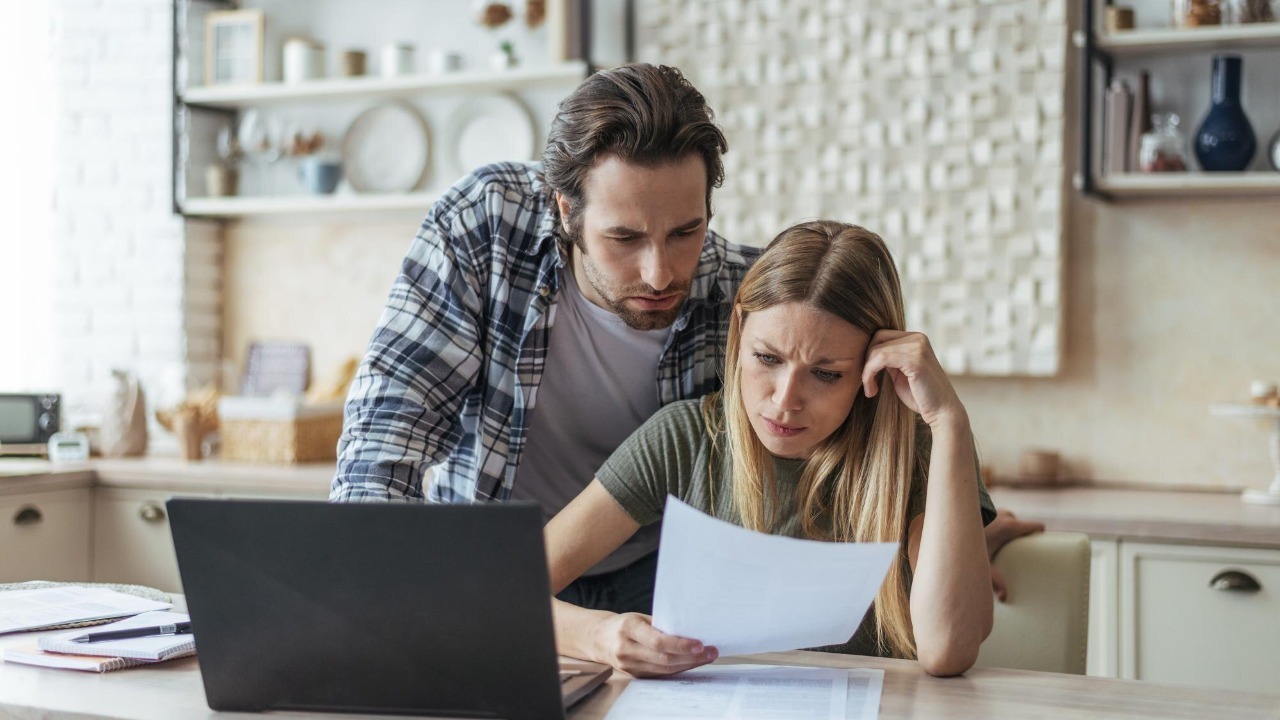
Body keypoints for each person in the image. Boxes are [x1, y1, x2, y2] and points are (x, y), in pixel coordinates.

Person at [331, 62, 1037, 615]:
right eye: (624, 238)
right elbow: (390, 427)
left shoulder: (745, 296)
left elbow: (848, 436)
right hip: (497, 566)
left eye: (685, 231)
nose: (661, 270)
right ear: (565, 209)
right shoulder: (485, 226)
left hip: (662, 581)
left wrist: (950, 544)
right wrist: (359, 592)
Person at [545, 221, 997, 678]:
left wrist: (949, 421)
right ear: (739, 329)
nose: (784, 401)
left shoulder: (919, 452)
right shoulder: (684, 440)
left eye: (826, 374)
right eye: (767, 358)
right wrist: (600, 636)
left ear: (873, 367)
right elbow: (507, 589)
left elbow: (948, 650)